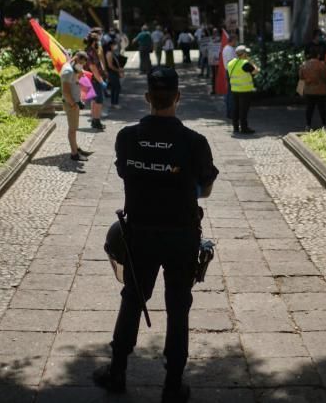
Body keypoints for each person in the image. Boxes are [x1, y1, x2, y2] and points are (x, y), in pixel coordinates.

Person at [94, 67, 219, 403]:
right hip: (181, 235)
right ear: (178, 97)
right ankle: (173, 384)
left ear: (148, 97)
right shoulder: (195, 142)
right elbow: (205, 187)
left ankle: (117, 371)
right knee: (178, 307)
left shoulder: (127, 137)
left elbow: (125, 172)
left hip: (140, 234)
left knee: (133, 298)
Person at [60, 51, 94, 161]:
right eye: (81, 63)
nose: (82, 66)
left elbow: (75, 82)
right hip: (71, 104)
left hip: (75, 102)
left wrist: (79, 73)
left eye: (83, 64)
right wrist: (73, 104)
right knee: (72, 130)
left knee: (74, 128)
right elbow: (65, 91)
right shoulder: (68, 71)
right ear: (76, 59)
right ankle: (74, 154)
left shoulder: (73, 67)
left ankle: (77, 148)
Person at [227, 45, 258, 134]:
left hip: (234, 89)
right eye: (246, 53)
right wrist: (251, 61)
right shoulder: (245, 63)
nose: (247, 54)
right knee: (243, 110)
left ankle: (235, 127)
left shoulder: (231, 63)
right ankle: (244, 128)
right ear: (243, 54)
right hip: (244, 90)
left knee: (235, 109)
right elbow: (255, 71)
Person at [299, 50, 326, 129]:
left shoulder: (304, 65)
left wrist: (300, 91)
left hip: (309, 90)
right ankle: (324, 125)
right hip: (320, 90)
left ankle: (308, 125)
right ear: (318, 56)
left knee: (309, 108)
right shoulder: (322, 65)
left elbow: (301, 78)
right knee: (322, 108)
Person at [85, 33, 108, 130]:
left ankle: (94, 121)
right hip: (94, 80)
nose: (99, 43)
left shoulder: (90, 51)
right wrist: (101, 81)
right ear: (94, 42)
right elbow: (94, 69)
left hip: (90, 80)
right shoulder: (91, 53)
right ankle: (97, 121)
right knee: (99, 101)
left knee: (94, 101)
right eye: (98, 41)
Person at [221, 36, 237, 118]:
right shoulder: (230, 49)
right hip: (231, 72)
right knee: (231, 94)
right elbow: (232, 62)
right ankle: (231, 112)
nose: (236, 42)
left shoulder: (226, 48)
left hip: (228, 71)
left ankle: (229, 112)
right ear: (232, 40)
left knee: (229, 93)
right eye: (235, 40)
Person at [106, 41, 125, 108]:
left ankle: (113, 103)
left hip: (114, 72)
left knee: (115, 88)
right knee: (116, 87)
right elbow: (110, 65)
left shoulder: (112, 53)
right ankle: (115, 103)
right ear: (111, 45)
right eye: (114, 45)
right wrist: (118, 70)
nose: (115, 46)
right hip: (112, 73)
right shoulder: (109, 53)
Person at [207, 28, 222, 93]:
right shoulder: (210, 40)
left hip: (219, 60)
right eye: (214, 32)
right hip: (212, 61)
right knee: (213, 75)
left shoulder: (221, 40)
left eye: (216, 32)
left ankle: (219, 88)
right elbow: (207, 49)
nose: (215, 34)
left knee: (219, 74)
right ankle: (214, 89)